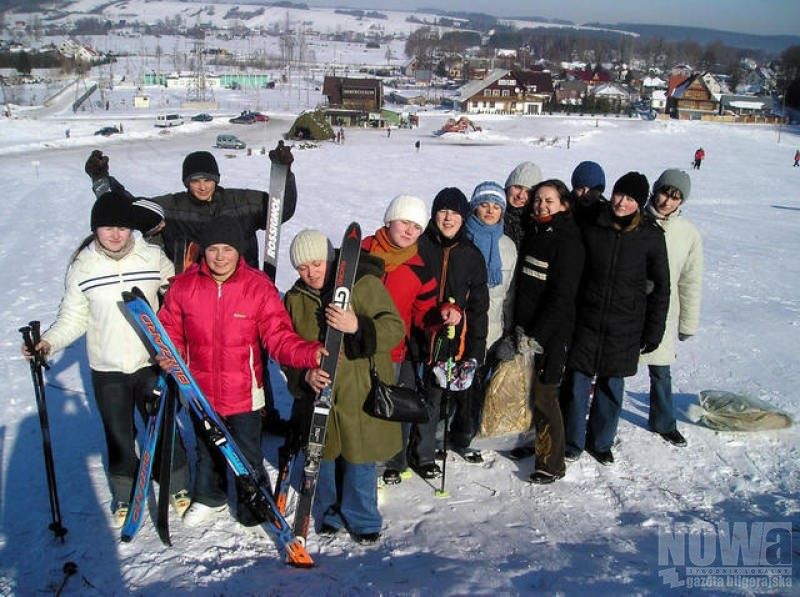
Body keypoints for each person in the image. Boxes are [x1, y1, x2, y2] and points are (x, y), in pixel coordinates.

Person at [21, 192, 190, 528]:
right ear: (95, 229)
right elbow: (73, 318)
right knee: (118, 434)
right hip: (107, 367)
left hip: (151, 361)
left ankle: (177, 482)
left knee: (164, 425)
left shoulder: (152, 257)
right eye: (108, 227)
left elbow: (176, 302)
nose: (116, 233)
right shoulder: (83, 266)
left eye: (123, 227)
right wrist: (47, 343)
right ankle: (125, 492)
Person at [157, 216, 326, 528]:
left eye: (228, 249)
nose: (220, 256)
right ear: (203, 250)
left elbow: (279, 337)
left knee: (247, 451)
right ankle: (210, 496)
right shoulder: (184, 286)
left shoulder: (257, 287)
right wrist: (169, 353)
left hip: (244, 391)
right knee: (207, 448)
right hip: (200, 390)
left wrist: (308, 352)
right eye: (213, 249)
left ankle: (253, 503)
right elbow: (170, 330)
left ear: (239, 252)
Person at [283, 229, 405, 544]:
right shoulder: (295, 298)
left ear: (331, 259)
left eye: (316, 264)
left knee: (358, 458)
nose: (310, 273)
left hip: (358, 389)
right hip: (319, 393)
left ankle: (363, 518)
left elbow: (394, 329)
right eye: (302, 268)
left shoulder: (364, 284)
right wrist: (303, 376)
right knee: (322, 458)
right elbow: (287, 348)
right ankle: (330, 512)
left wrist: (357, 326)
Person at [562, 172, 670, 465]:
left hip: (626, 324)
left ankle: (600, 442)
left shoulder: (650, 236)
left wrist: (653, 331)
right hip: (587, 318)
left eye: (631, 198)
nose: (622, 202)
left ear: (640, 202)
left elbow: (661, 288)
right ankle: (572, 441)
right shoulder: (594, 225)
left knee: (612, 386)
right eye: (619, 194)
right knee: (577, 383)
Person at [83, 145, 296, 268]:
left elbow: (280, 211)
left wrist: (284, 174)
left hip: (242, 286)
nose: (202, 186)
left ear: (216, 179)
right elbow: (131, 210)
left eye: (208, 180)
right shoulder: (173, 207)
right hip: (194, 291)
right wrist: (101, 179)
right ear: (186, 183)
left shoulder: (241, 202)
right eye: (195, 181)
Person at [508, 179, 585, 483]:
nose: (541, 205)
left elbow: (561, 296)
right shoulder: (536, 231)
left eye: (549, 201)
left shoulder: (568, 239)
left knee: (545, 395)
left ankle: (551, 463)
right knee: (531, 393)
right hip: (528, 329)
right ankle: (533, 443)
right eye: (538, 200)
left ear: (564, 204)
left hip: (551, 335)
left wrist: (536, 335)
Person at [409, 188, 489, 474]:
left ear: (464, 217)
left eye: (455, 213)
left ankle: (433, 451)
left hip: (454, 339)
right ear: (434, 214)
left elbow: (480, 307)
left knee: (441, 396)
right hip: (418, 334)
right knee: (417, 396)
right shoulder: (419, 246)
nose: (448, 218)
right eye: (443, 211)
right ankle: (411, 454)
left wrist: (476, 350)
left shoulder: (471, 255)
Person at [361, 195, 438, 485]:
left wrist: (442, 318)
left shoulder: (419, 266)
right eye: (405, 222)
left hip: (393, 351)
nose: (409, 231)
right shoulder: (362, 250)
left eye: (417, 227)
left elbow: (425, 312)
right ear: (389, 219)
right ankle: (357, 462)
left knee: (388, 410)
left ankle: (389, 463)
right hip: (354, 347)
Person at [641, 169, 703, 447]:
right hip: (627, 307)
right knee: (612, 372)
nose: (667, 201)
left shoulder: (687, 234)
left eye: (676, 197)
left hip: (663, 311)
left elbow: (690, 281)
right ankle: (602, 425)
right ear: (656, 190)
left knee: (660, 369)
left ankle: (663, 422)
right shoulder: (635, 219)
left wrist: (687, 323)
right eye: (666, 193)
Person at [503, 161, 543, 248]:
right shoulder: (493, 213)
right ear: (508, 187)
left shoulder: (537, 220)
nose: (520, 195)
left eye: (528, 192)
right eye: (517, 187)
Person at [570, 160, 607, 229]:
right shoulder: (564, 210)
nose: (585, 194)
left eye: (592, 190)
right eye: (580, 189)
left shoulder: (607, 214)